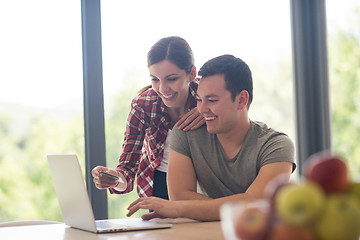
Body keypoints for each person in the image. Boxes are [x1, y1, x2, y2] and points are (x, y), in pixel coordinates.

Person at [126, 54, 296, 221]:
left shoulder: (277, 145)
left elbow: (257, 203)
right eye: (199, 100)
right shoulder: (185, 133)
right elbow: (179, 196)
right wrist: (237, 204)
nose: (201, 109)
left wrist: (184, 209)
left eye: (212, 100)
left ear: (241, 100)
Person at [91, 36, 205, 200]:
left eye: (171, 79)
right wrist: (114, 180)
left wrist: (206, 109)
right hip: (158, 187)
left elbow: (240, 102)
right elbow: (128, 171)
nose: (163, 88)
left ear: (192, 74)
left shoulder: (208, 95)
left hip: (202, 184)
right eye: (155, 79)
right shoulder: (143, 105)